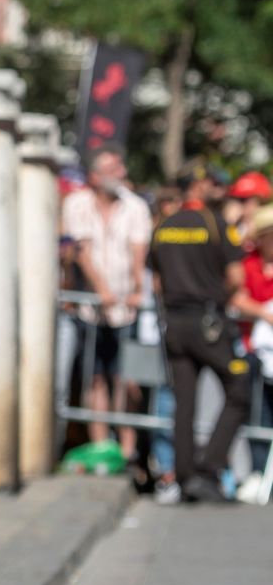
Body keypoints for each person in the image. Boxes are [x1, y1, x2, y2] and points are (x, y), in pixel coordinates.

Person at [150, 163, 249, 503]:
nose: (215, 187)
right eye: (210, 181)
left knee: (185, 402)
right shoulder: (215, 223)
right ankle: (208, 467)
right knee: (240, 387)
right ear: (197, 186)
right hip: (208, 323)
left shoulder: (164, 224)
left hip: (173, 323)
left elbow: (155, 280)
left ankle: (186, 474)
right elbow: (236, 278)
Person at [62, 145, 151, 457]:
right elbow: (81, 251)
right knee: (95, 377)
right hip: (92, 308)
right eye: (114, 169)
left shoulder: (135, 206)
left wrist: (139, 290)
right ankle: (101, 445)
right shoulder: (77, 204)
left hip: (127, 309)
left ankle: (127, 450)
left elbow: (139, 253)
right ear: (96, 176)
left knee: (127, 379)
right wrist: (101, 290)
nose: (122, 174)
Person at [230, 201, 273, 498]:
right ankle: (258, 471)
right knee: (259, 412)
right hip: (255, 348)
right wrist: (265, 313)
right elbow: (237, 298)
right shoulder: (248, 263)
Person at [224, 170, 272, 249]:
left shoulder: (267, 228)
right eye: (236, 199)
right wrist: (227, 224)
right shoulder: (236, 225)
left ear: (260, 201)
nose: (238, 204)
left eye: (243, 199)